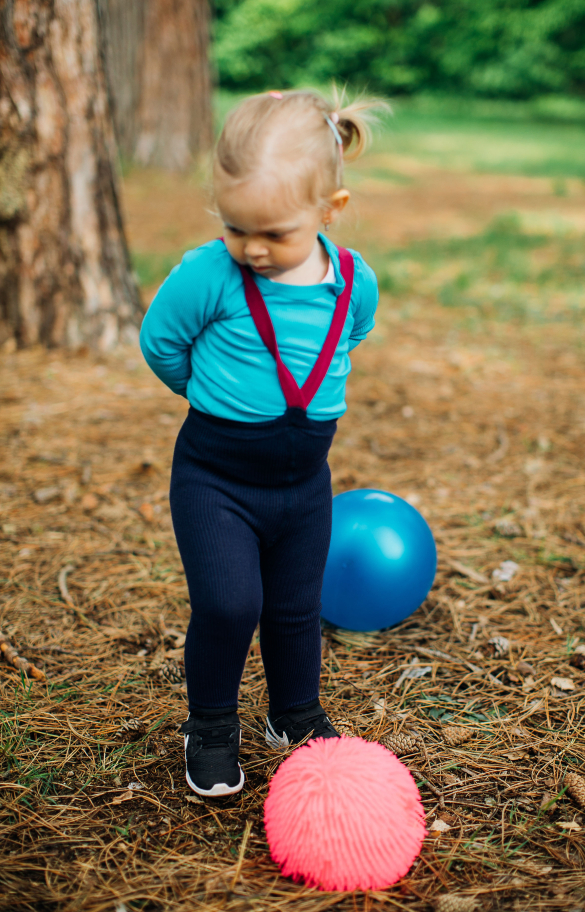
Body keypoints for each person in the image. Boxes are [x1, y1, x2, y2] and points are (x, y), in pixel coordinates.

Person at [140, 90, 383, 798]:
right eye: (235, 226)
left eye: (274, 233)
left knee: (294, 607)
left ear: (329, 209)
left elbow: (350, 334)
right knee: (227, 603)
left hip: (304, 482)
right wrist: (214, 394)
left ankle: (294, 714)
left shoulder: (352, 282)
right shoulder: (208, 274)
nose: (251, 247)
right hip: (216, 477)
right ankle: (210, 724)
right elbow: (162, 344)